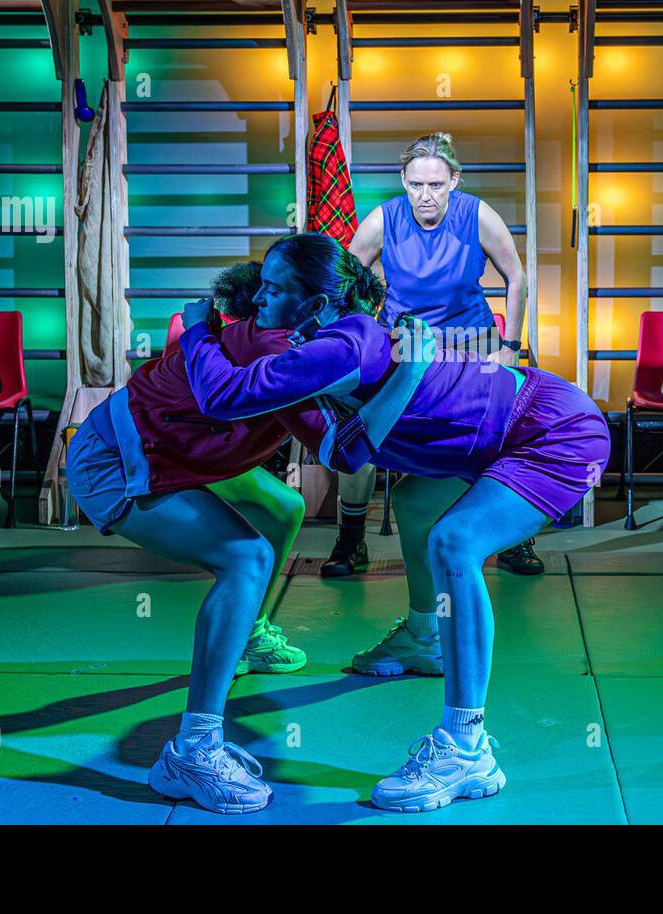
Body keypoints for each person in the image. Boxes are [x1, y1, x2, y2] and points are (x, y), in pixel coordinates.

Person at [180, 232, 609, 812]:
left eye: (274, 289)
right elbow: (340, 450)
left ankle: (466, 747)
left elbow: (220, 397)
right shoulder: (324, 340)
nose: (259, 301)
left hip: (554, 432)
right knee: (412, 506)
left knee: (455, 541)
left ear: (316, 303)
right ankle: (425, 635)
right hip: (498, 429)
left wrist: (199, 329)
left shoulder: (338, 347)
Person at [65, 265, 433, 815]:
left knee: (283, 505)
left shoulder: (309, 339)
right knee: (246, 556)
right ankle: (194, 749)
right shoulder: (277, 345)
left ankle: (251, 633)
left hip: (185, 445)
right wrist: (411, 376)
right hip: (121, 458)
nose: (264, 297)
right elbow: (340, 450)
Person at [322, 132, 545, 583]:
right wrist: (352, 335)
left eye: (437, 186)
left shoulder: (477, 215)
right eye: (417, 185)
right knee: (365, 431)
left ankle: (513, 536)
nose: (426, 196)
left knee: (497, 437)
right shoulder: (383, 220)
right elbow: (343, 281)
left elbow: (517, 277)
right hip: (407, 347)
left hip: (473, 342)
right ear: (403, 180)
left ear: (454, 181)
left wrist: (510, 348)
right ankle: (350, 539)